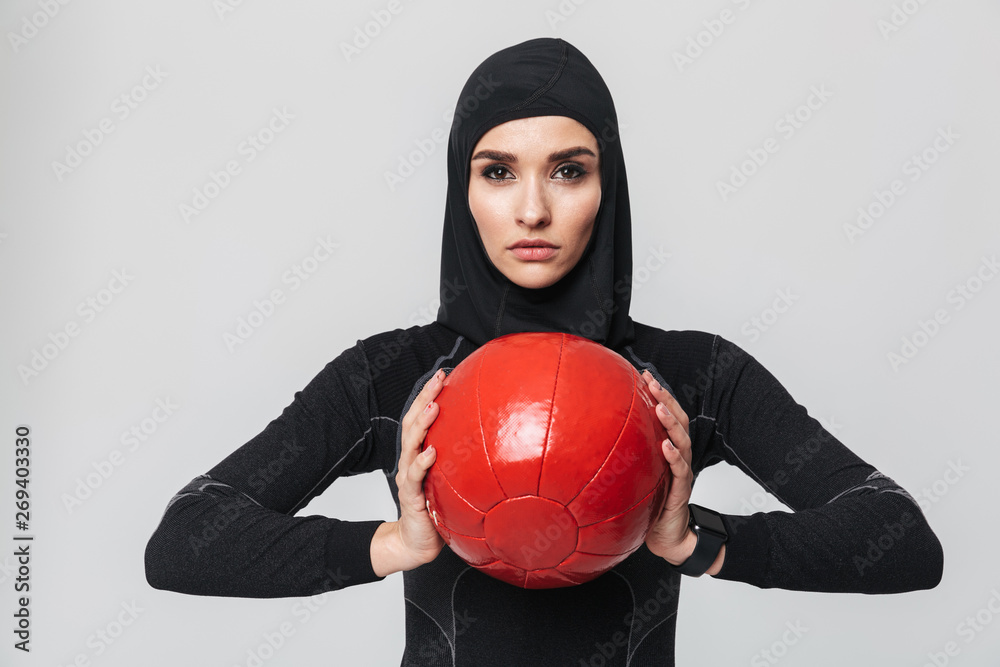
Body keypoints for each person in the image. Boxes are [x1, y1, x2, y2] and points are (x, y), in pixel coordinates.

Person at [145, 38, 944, 665]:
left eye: (569, 170)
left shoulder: (693, 378)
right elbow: (184, 539)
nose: (532, 208)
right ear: (464, 190)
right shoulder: (390, 377)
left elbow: (902, 536)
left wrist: (698, 539)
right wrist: (391, 543)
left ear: (610, 186)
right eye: (498, 172)